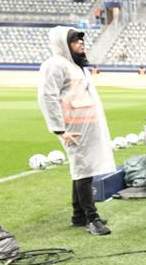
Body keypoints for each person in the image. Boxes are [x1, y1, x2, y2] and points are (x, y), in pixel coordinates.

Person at [37, 26, 115, 236]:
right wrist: (59, 130)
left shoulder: (77, 66)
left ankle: (78, 214)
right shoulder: (54, 65)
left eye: (81, 40)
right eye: (75, 40)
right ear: (63, 44)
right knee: (83, 171)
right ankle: (92, 218)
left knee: (82, 170)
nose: (81, 43)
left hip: (86, 127)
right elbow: (47, 97)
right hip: (73, 129)